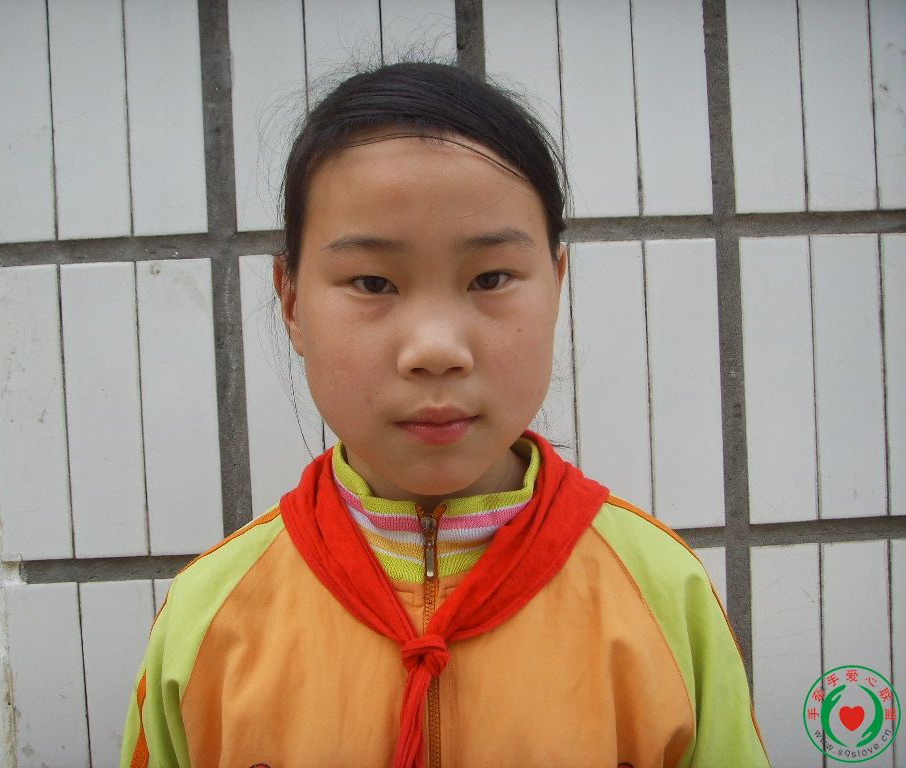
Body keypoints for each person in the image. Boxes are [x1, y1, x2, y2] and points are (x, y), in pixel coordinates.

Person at [121, 62, 769, 768]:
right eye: (373, 282)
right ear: (292, 300)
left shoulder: (664, 594)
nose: (435, 349)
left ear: (556, 284)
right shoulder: (208, 616)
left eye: (491, 278)